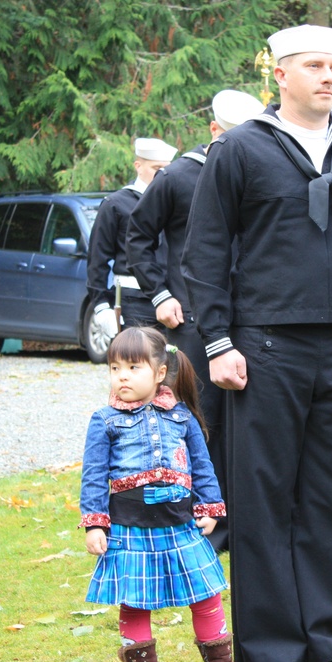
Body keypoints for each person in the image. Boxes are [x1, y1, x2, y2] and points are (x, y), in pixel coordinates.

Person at [182, 24, 332, 662]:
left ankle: (322, 643)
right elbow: (205, 253)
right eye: (314, 66)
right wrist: (218, 341)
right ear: (280, 74)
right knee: (267, 501)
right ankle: (271, 649)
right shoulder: (242, 149)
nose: (329, 76)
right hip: (264, 349)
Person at [125, 89, 264, 553]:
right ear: (213, 131)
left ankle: (243, 521)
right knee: (201, 425)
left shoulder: (261, 169)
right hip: (192, 319)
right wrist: (160, 293)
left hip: (251, 317)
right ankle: (203, 522)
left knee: (251, 425)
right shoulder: (180, 175)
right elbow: (139, 234)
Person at [78, 327, 236, 662]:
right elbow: (92, 476)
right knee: (135, 602)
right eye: (115, 368)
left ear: (160, 372)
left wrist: (209, 507)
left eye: (134, 368)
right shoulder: (105, 420)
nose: (122, 377)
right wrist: (95, 525)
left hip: (181, 526)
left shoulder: (182, 416)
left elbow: (202, 466)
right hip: (129, 529)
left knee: (206, 595)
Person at [86, 137, 177, 331]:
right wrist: (101, 306)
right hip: (133, 301)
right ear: (138, 166)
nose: (162, 174)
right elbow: (97, 258)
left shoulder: (175, 201)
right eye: (156, 168)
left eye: (166, 169)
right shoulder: (115, 204)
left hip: (172, 300)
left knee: (171, 360)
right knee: (135, 360)